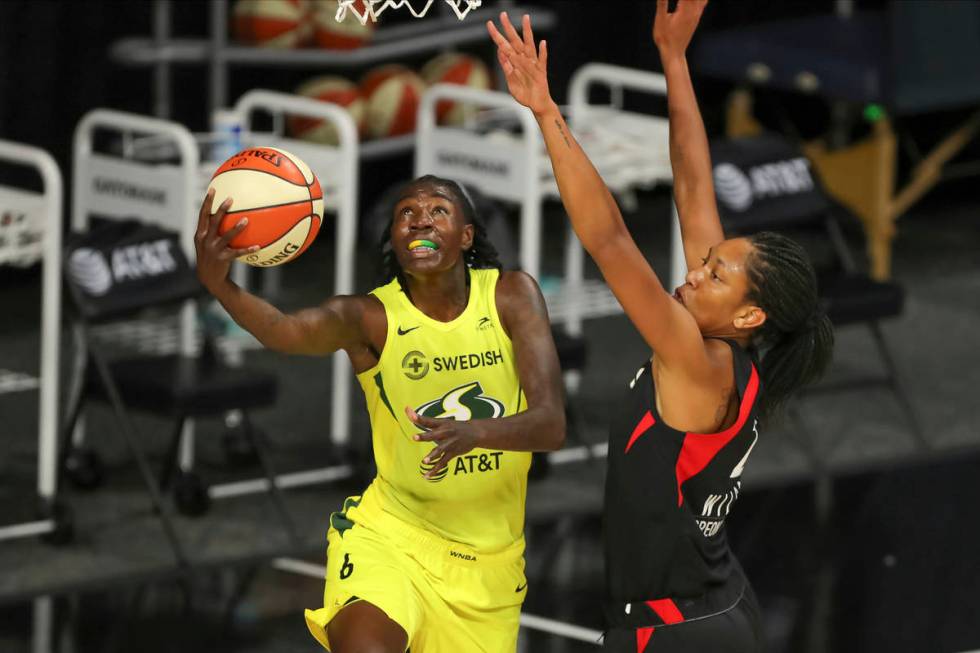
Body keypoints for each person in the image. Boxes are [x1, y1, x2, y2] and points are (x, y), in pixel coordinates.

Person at [488, 2, 833, 650]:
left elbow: (611, 240)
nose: (698, 271)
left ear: (748, 315)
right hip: (713, 607)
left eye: (717, 274)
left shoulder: (693, 358)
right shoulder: (733, 351)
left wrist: (546, 112)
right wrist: (673, 60)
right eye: (709, 261)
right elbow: (694, 185)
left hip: (671, 633)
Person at [194, 174, 565, 652]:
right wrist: (221, 286)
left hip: (488, 567)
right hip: (394, 536)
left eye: (437, 210)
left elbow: (551, 425)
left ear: (466, 236)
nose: (419, 221)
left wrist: (475, 432)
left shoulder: (512, 296)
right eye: (405, 214)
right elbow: (284, 330)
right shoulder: (369, 317)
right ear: (394, 239)